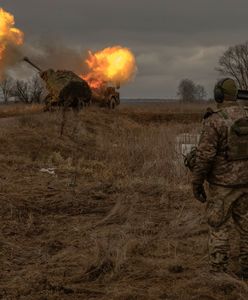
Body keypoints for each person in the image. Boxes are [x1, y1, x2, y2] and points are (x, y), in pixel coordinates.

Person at [192, 78, 248, 277]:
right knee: (246, 227)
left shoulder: (214, 120)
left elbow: (205, 156)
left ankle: (219, 274)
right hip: (246, 184)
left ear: (219, 95)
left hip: (222, 186)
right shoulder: (246, 115)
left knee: (218, 226)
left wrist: (196, 182)